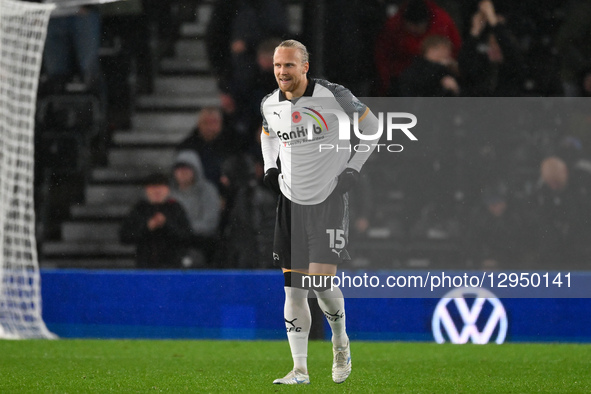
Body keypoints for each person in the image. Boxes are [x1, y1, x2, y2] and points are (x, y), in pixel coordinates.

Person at [261, 40, 380, 385]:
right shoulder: (270, 104)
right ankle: (299, 370)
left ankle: (340, 341)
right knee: (294, 290)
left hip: (328, 199)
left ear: (305, 67)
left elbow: (373, 129)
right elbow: (267, 134)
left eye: (289, 65)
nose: (283, 72)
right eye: (278, 66)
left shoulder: (333, 96)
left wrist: (354, 169)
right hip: (291, 202)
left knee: (320, 283)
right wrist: (271, 167)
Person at [374, 0, 462, 95]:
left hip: (439, 77)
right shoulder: (393, 27)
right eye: (411, 29)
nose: (415, 31)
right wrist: (386, 83)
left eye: (418, 28)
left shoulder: (443, 22)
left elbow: (457, 49)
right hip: (402, 79)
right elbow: (383, 57)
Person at [119, 172, 193, 269]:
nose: (157, 191)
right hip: (145, 266)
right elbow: (125, 236)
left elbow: (187, 236)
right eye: (153, 187)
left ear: (167, 189)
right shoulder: (140, 209)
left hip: (172, 266)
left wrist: (166, 224)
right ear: (146, 190)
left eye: (161, 187)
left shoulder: (175, 208)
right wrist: (147, 227)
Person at [170, 150, 221, 267]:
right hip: (175, 246)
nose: (182, 172)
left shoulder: (208, 191)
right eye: (179, 169)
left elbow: (210, 223)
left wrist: (183, 229)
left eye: (187, 168)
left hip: (202, 245)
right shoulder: (170, 194)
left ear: (196, 170)